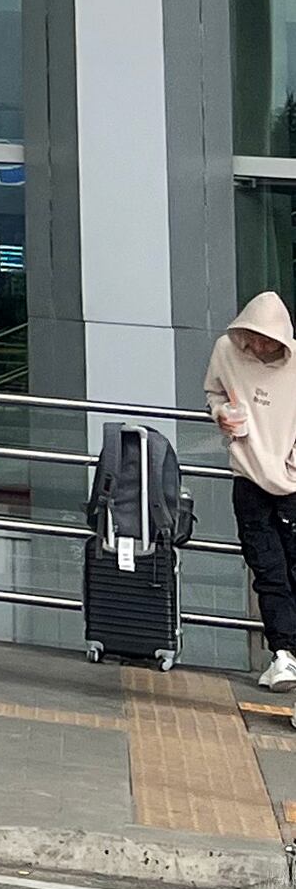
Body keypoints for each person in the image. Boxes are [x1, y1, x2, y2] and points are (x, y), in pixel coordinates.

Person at [205, 290, 296, 692]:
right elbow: (214, 392)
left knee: (289, 569)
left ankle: (287, 654)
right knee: (268, 570)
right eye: (254, 336)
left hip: (292, 483)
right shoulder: (226, 350)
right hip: (247, 479)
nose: (260, 345)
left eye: (269, 339)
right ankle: (283, 654)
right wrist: (221, 413)